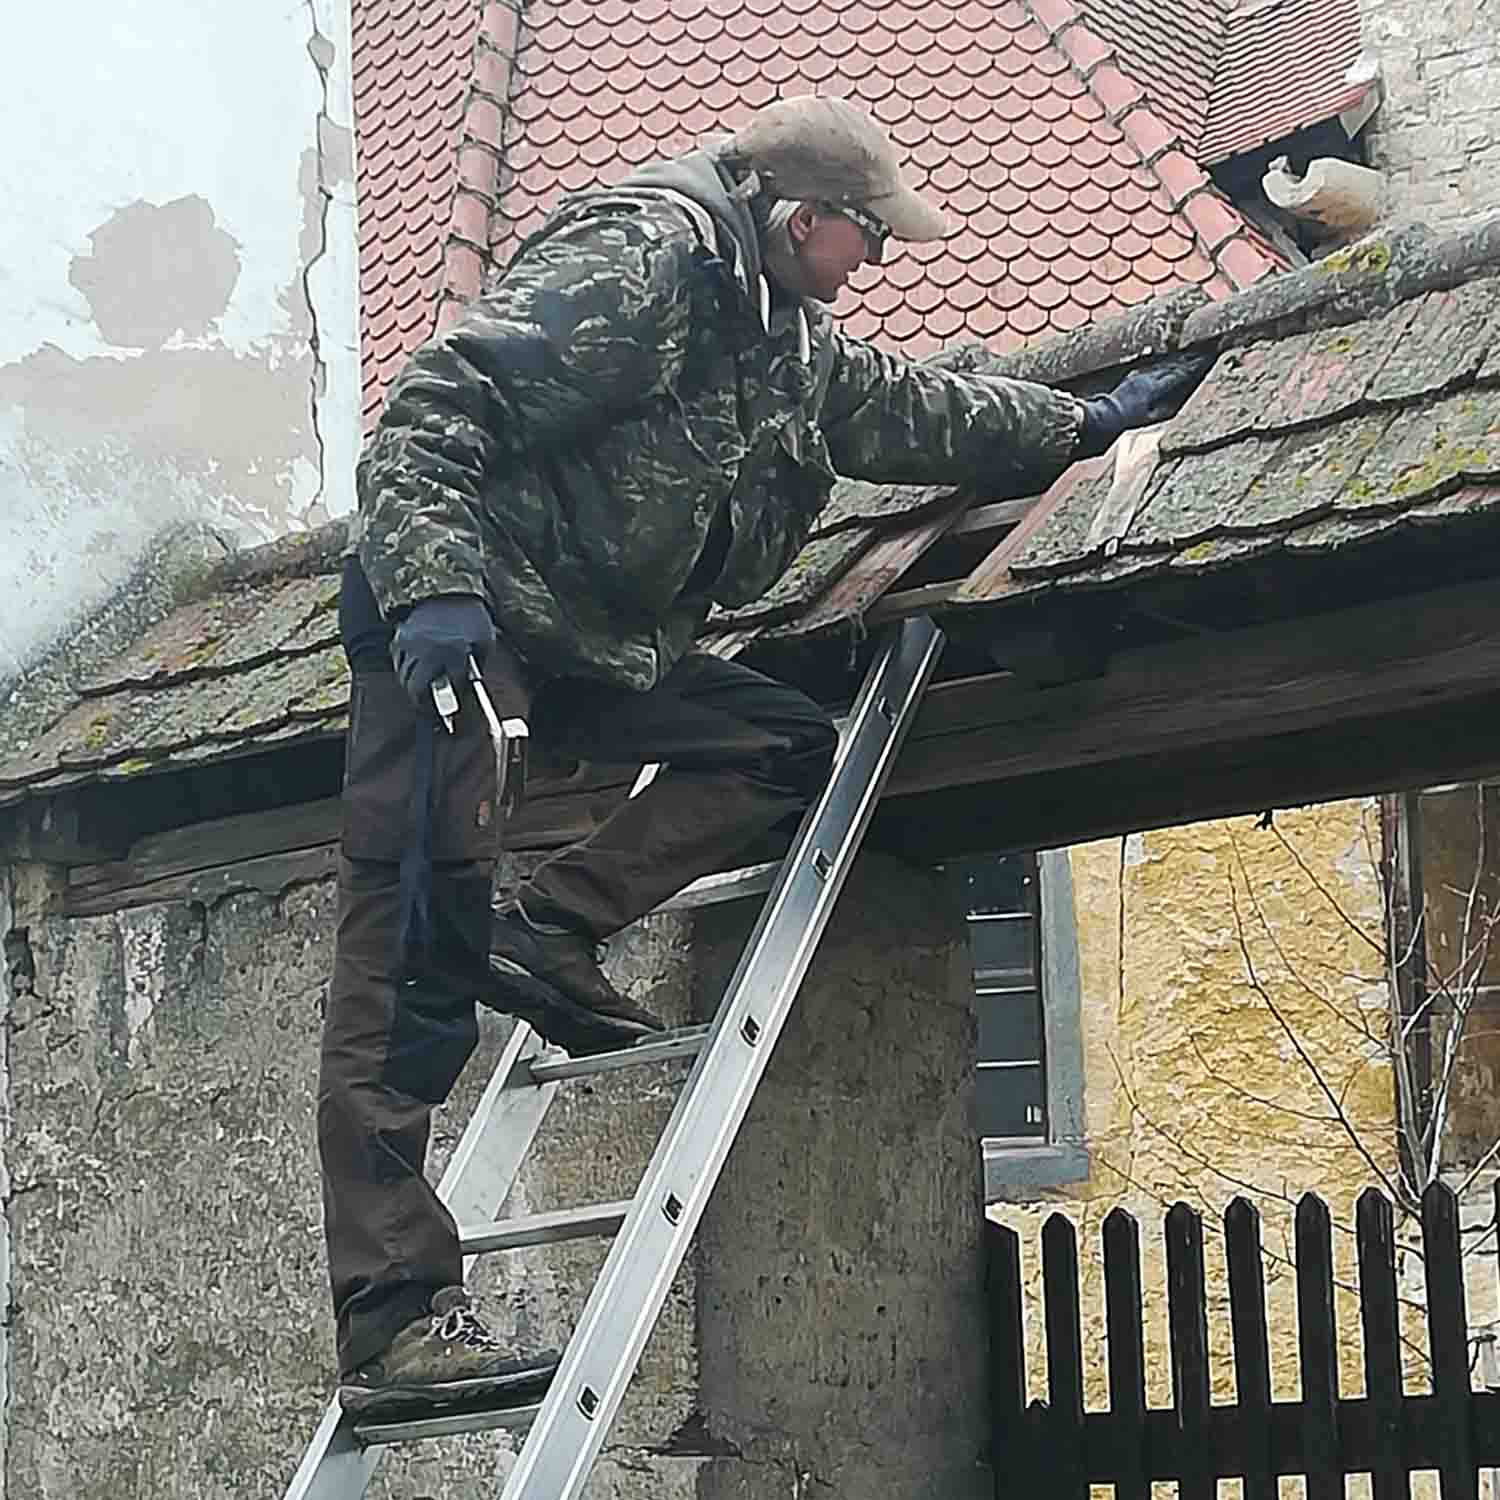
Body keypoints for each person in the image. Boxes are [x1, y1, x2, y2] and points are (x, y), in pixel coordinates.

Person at [320, 94, 1207, 1415]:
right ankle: (394, 1317)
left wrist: (1083, 427)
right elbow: (432, 411)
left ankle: (550, 928)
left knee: (782, 745)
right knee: (412, 949)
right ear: (803, 221)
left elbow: (922, 415)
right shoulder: (646, 264)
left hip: (590, 647)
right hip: (455, 626)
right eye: (870, 239)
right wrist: (435, 599)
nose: (881, 263)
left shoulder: (785, 338)